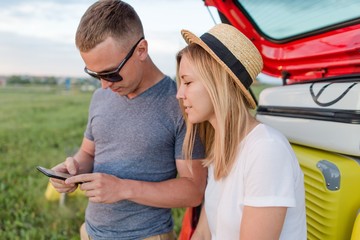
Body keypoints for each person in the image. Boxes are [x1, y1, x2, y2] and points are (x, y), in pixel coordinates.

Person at [49, 1, 207, 239]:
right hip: (90, 232)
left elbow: (193, 190)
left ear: (141, 50)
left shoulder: (181, 104)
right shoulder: (101, 96)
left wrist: (122, 188)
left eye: (111, 73)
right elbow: (89, 153)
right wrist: (72, 170)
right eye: (95, 75)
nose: (104, 85)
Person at [176, 23, 307, 240]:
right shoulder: (221, 147)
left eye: (187, 82)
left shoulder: (266, 150)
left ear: (218, 84)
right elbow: (205, 232)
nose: (180, 94)